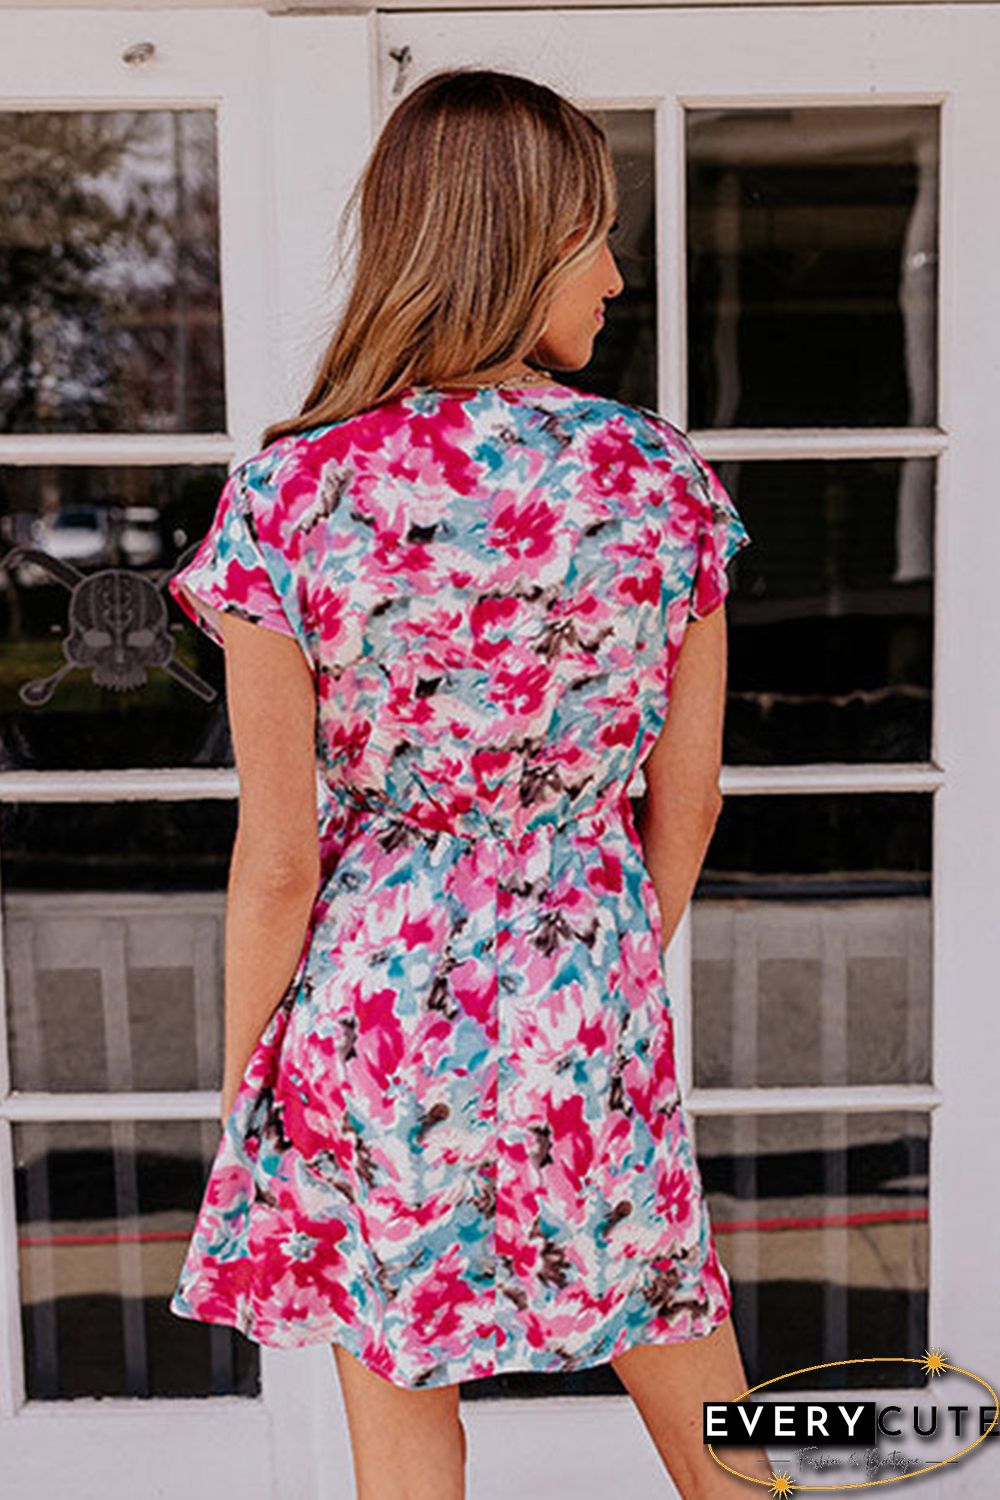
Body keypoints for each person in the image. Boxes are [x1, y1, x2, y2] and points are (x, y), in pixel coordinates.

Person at [167, 66, 772, 1500]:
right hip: (591, 986)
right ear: (512, 246)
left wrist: (259, 1082)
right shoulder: (656, 478)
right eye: (595, 238)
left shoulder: (291, 497)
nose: (618, 277)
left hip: (366, 1008)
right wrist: (605, 958)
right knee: (701, 1368)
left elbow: (275, 859)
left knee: (403, 1417)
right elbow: (690, 804)